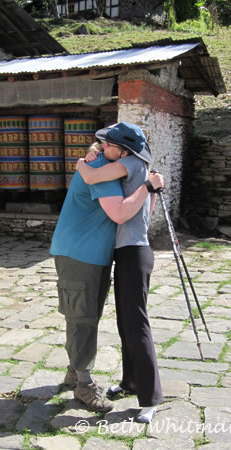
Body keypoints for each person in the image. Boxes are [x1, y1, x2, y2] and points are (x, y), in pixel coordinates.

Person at [50, 128, 163, 413]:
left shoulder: (113, 168)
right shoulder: (101, 168)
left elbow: (138, 217)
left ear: (123, 152)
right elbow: (120, 213)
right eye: (100, 143)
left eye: (106, 144)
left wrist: (149, 193)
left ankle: (75, 372)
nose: (101, 146)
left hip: (94, 254)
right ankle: (84, 385)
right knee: (83, 318)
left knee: (84, 315)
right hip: (80, 252)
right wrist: (147, 188)